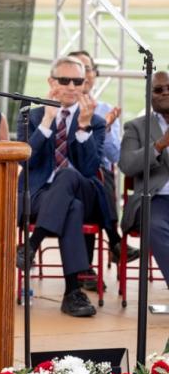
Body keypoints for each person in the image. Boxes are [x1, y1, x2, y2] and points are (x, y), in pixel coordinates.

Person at [16, 55, 107, 317]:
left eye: (77, 81)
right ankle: (72, 293)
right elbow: (25, 157)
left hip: (83, 189)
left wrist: (83, 128)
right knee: (72, 208)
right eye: (64, 80)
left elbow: (90, 169)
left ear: (84, 84)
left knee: (68, 178)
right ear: (51, 81)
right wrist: (47, 120)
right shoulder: (30, 116)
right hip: (41, 195)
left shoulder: (95, 121)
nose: (70, 86)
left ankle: (33, 244)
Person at [68, 50, 139, 277]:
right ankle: (115, 242)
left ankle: (85, 269)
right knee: (89, 179)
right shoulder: (61, 109)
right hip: (67, 180)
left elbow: (116, 156)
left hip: (97, 179)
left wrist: (106, 129)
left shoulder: (106, 110)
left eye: (87, 68)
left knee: (97, 176)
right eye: (77, 68)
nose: (84, 74)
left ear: (94, 75)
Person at [119, 70, 169, 287]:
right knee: (155, 226)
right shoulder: (136, 127)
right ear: (149, 95)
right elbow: (127, 165)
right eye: (159, 90)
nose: (166, 93)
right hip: (154, 199)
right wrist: (159, 146)